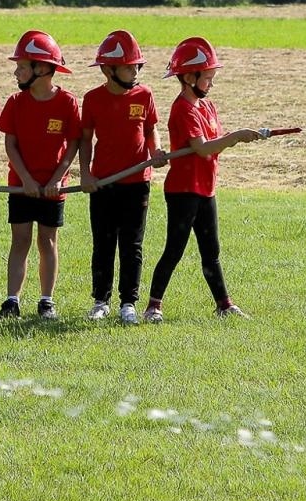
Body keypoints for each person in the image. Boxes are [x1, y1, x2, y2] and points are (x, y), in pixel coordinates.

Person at [143, 37, 262, 323]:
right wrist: (236, 137)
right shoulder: (182, 109)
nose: (211, 84)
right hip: (183, 190)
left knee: (211, 251)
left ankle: (224, 305)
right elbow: (202, 148)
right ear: (188, 77)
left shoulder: (207, 107)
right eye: (207, 78)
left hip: (206, 188)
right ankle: (153, 307)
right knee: (175, 249)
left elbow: (213, 144)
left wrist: (233, 138)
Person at [77, 30, 162, 325]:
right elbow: (85, 139)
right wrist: (86, 173)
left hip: (137, 182)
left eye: (137, 66)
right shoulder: (92, 99)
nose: (135, 71)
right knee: (103, 243)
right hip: (102, 183)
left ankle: (128, 303)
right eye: (129, 67)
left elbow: (151, 130)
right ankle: (101, 301)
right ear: (108, 70)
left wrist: (156, 151)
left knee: (131, 245)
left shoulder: (145, 95)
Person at [0, 30, 81, 321]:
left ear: (42, 69)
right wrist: (26, 180)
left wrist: (57, 178)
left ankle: (46, 301)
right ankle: (12, 301)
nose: (16, 72)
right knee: (20, 240)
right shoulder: (15, 103)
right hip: (21, 186)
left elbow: (73, 144)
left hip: (53, 188)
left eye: (22, 66)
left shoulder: (67, 102)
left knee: (48, 241)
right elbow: (10, 145)